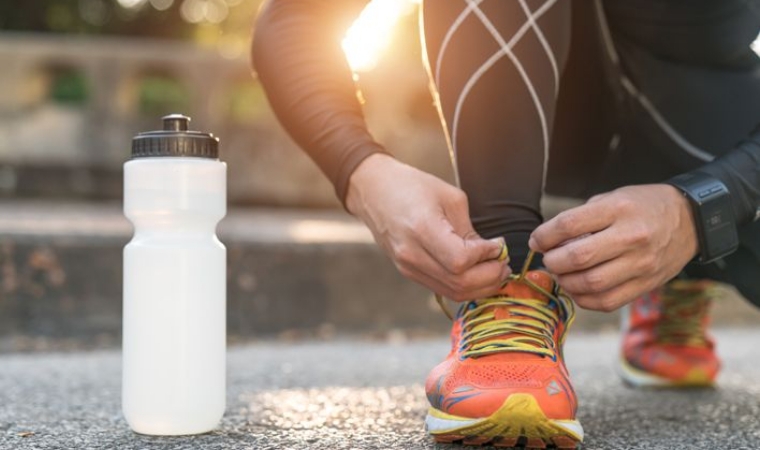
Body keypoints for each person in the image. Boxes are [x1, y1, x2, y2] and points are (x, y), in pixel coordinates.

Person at [252, 0, 760, 447]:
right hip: (548, 111)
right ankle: (510, 287)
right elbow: (295, 16)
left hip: (729, 141)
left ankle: (685, 272)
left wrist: (703, 208)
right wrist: (362, 171)